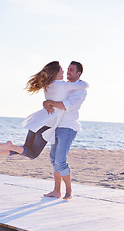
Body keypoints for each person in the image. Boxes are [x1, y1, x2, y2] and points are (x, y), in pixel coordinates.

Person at [0, 61, 88, 165]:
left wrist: (47, 102)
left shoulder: (47, 85)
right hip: (48, 122)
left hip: (37, 120)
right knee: (33, 154)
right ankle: (10, 146)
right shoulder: (61, 85)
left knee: (24, 149)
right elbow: (81, 86)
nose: (64, 72)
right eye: (62, 70)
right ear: (56, 72)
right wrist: (85, 83)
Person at [43, 61, 88, 200]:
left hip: (68, 128)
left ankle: (69, 191)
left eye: (71, 70)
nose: (68, 72)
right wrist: (46, 102)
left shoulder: (81, 90)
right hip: (56, 125)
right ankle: (56, 191)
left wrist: (50, 102)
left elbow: (66, 105)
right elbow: (53, 98)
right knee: (53, 159)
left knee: (61, 160)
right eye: (67, 69)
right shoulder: (65, 86)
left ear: (78, 73)